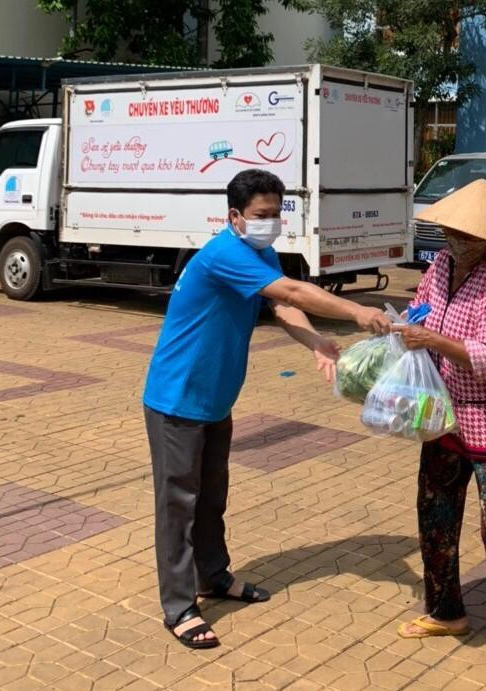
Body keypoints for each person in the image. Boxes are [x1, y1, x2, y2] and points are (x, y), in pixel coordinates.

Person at [143, 169, 391, 650]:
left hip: (214, 398)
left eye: (277, 214)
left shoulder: (258, 252)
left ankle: (212, 576)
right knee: (178, 503)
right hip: (176, 399)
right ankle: (178, 606)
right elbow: (297, 292)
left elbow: (282, 305)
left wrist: (316, 341)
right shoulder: (225, 254)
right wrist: (357, 313)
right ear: (234, 216)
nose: (271, 223)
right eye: (262, 215)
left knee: (212, 495)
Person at [394, 179, 486, 691]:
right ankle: (446, 610)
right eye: (448, 229)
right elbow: (423, 307)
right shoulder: (439, 266)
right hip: (444, 420)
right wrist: (402, 326)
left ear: (485, 239)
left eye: (462, 232)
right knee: (434, 519)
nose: (451, 237)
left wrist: (433, 337)